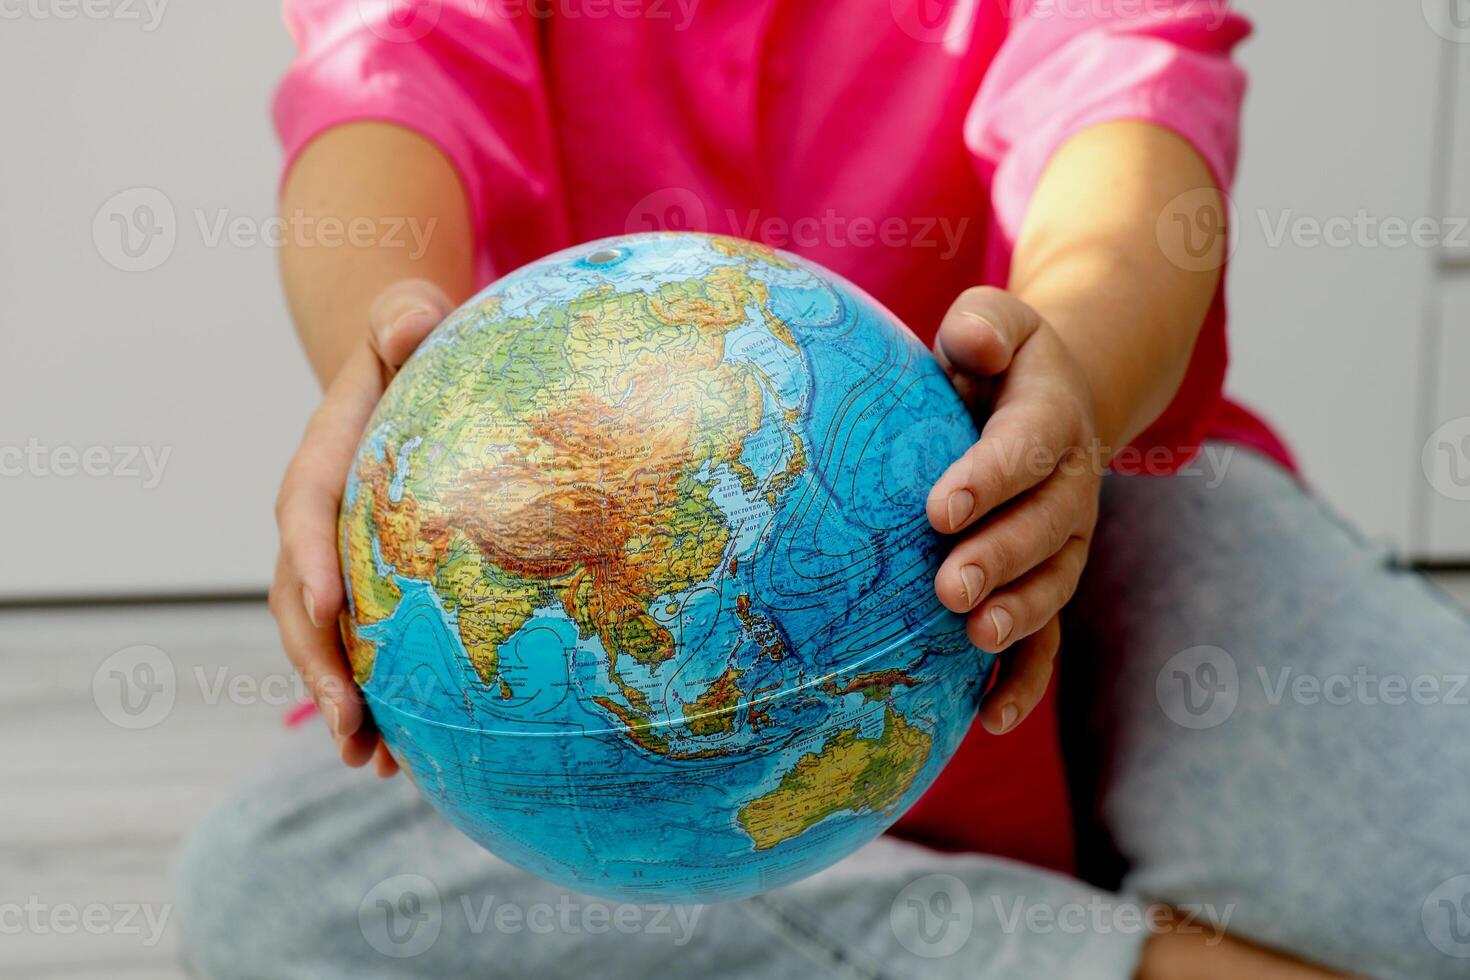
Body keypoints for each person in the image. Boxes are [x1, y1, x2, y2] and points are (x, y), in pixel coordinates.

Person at [174, 3, 1470, 977]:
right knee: (272, 893)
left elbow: (1126, 105)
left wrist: (1066, 373)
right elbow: (388, 76)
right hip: (595, 649)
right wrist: (385, 364)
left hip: (1059, 519)